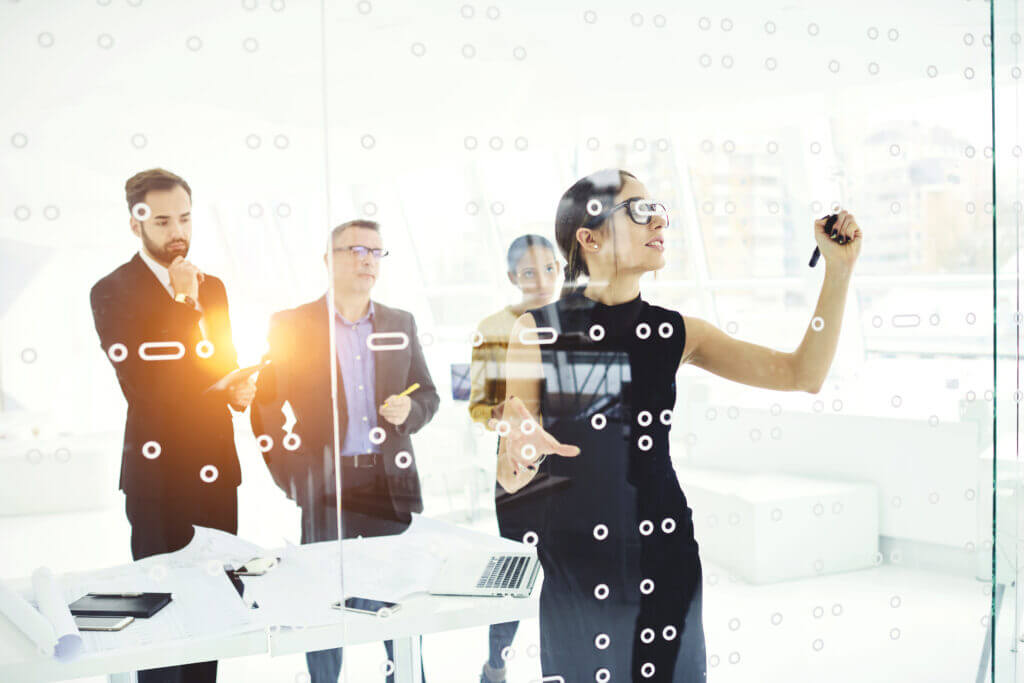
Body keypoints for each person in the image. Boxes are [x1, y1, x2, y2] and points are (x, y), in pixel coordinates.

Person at [494, 169, 863, 681]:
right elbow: (510, 476)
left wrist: (838, 272)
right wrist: (520, 453)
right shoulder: (535, 332)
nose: (659, 221)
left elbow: (803, 374)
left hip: (664, 553)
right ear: (590, 238)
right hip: (577, 563)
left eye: (659, 210)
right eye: (639, 211)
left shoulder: (679, 332)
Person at [251, 219, 439, 683]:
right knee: (322, 610)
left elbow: (429, 394)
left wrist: (410, 410)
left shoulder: (400, 322)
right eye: (355, 250)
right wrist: (293, 478)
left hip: (390, 486)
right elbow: (265, 407)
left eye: (375, 252)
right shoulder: (292, 325)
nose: (367, 260)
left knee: (400, 610)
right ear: (327, 260)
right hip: (326, 486)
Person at [90, 168, 256, 683]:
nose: (177, 231)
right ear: (135, 224)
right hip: (157, 480)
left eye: (184, 218)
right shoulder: (112, 291)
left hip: (216, 471)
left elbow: (220, 363)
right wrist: (185, 302)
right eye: (162, 221)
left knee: (211, 613)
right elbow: (147, 387)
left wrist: (237, 391)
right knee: (162, 620)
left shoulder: (215, 288)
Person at [467, 234, 559, 683]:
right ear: (511, 277)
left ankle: (557, 671)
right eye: (529, 272)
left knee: (565, 577)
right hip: (518, 467)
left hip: (572, 464)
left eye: (550, 269)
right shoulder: (493, 328)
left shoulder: (576, 323)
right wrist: (506, 413)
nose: (541, 281)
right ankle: (496, 666)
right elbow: (479, 407)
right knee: (516, 572)